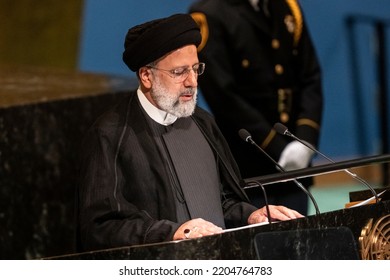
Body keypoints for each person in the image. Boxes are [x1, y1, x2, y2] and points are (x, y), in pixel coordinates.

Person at [77, 13, 303, 252]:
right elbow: (100, 227)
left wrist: (251, 214)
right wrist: (173, 232)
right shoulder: (109, 135)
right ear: (146, 76)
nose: (192, 81)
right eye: (179, 72)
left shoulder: (204, 124)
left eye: (196, 69)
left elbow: (224, 201)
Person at [189, 0, 323, 215]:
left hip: (296, 157)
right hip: (249, 161)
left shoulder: (288, 7)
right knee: (259, 241)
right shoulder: (209, 13)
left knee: (301, 237)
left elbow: (310, 76)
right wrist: (277, 147)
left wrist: (305, 140)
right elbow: (223, 95)